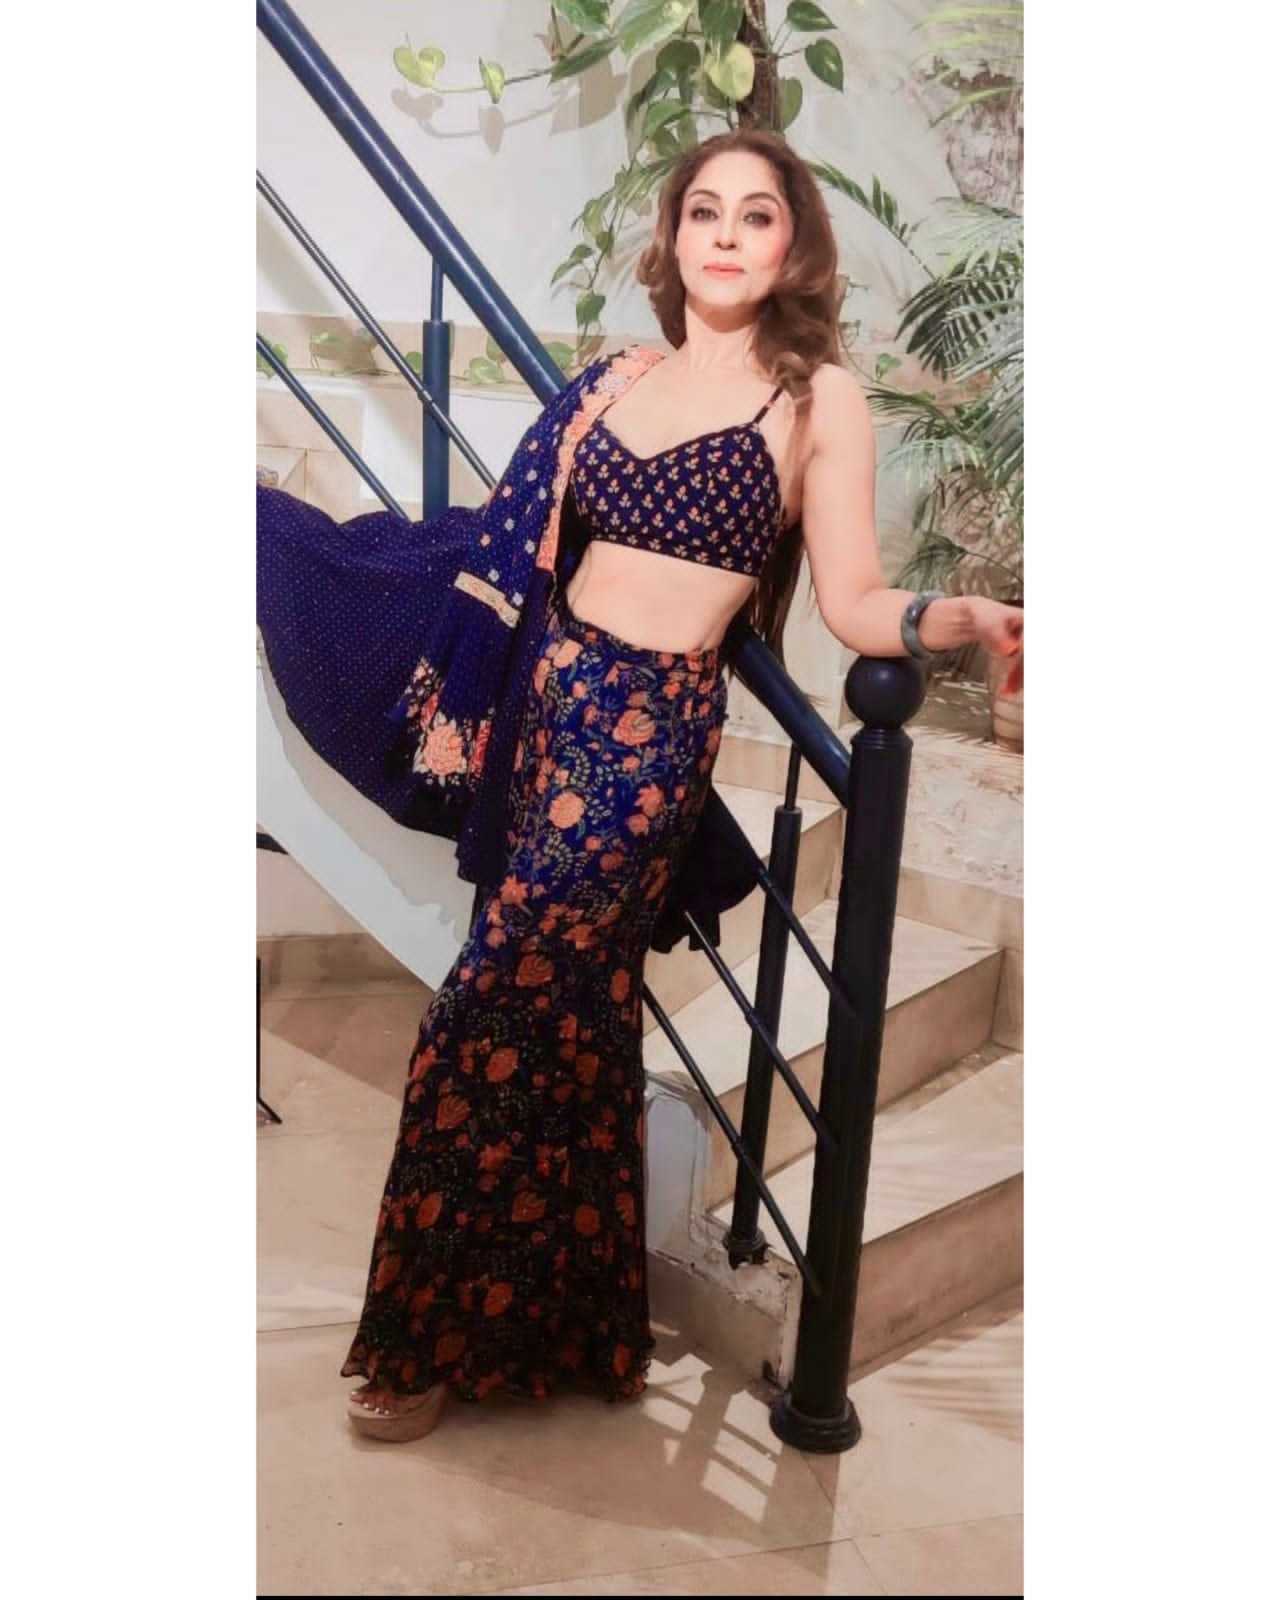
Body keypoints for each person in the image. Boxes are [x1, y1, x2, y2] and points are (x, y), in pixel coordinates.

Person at [258, 127, 1023, 1443]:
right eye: (703, 211)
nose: (726, 234)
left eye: (757, 215)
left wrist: (960, 620)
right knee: (575, 1024)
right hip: (544, 709)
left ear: (793, 244)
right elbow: (516, 550)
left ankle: (424, 1341)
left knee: (485, 1010)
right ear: (672, 238)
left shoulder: (816, 400)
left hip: (646, 741)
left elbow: (851, 598)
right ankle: (571, 1328)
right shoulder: (619, 380)